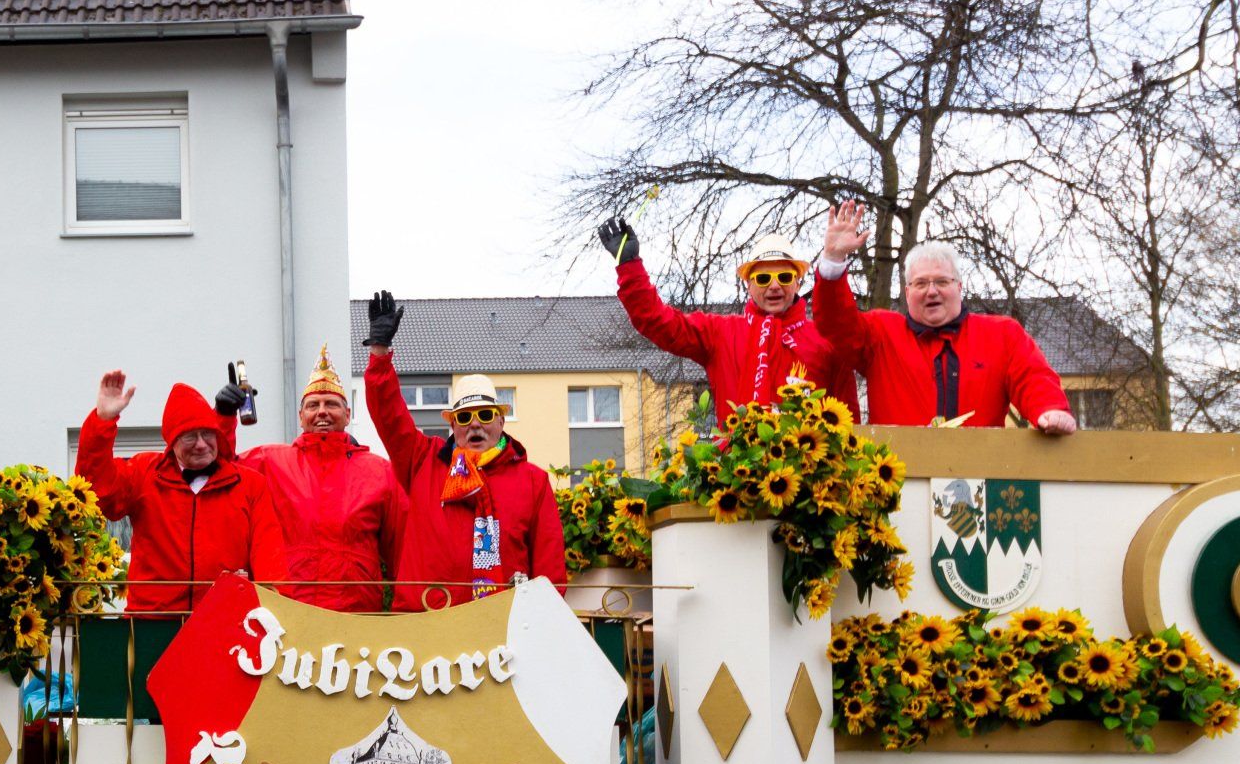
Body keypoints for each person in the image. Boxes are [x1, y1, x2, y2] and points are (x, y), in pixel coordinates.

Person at [362, 291, 567, 610]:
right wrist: (380, 351)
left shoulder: (533, 481)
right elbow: (389, 416)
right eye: (464, 417)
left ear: (501, 421)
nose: (475, 425)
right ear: (453, 426)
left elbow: (549, 568)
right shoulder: (423, 461)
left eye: (485, 415)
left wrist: (541, 620)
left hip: (502, 626)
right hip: (426, 623)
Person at [812, 201, 1075, 433]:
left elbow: (1033, 378)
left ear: (959, 287)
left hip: (981, 470)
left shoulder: (1002, 334)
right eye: (920, 283)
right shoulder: (881, 333)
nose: (931, 291)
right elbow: (835, 322)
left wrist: (1049, 409)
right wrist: (833, 260)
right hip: (899, 470)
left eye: (941, 281)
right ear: (907, 292)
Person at [598, 219, 860, 421]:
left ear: (798, 282)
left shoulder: (826, 341)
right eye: (763, 278)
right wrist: (629, 265)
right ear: (748, 284)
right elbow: (659, 323)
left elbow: (848, 418)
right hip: (736, 470)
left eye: (784, 277)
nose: (774, 286)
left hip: (809, 472)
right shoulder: (720, 333)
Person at [210, 346, 406, 611]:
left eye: (331, 404)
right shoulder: (269, 462)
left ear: (348, 415)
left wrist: (407, 613)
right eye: (313, 405)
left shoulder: (381, 472)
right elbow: (218, 470)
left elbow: (403, 551)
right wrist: (223, 417)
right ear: (301, 417)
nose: (322, 411)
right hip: (286, 610)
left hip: (356, 615)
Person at [75, 371, 285, 614]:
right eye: (190, 436)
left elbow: (270, 557)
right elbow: (97, 492)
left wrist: (277, 612)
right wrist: (102, 421)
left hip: (226, 620)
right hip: (154, 621)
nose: (201, 444)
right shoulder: (144, 473)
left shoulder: (250, 485)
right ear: (172, 442)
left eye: (208, 433)